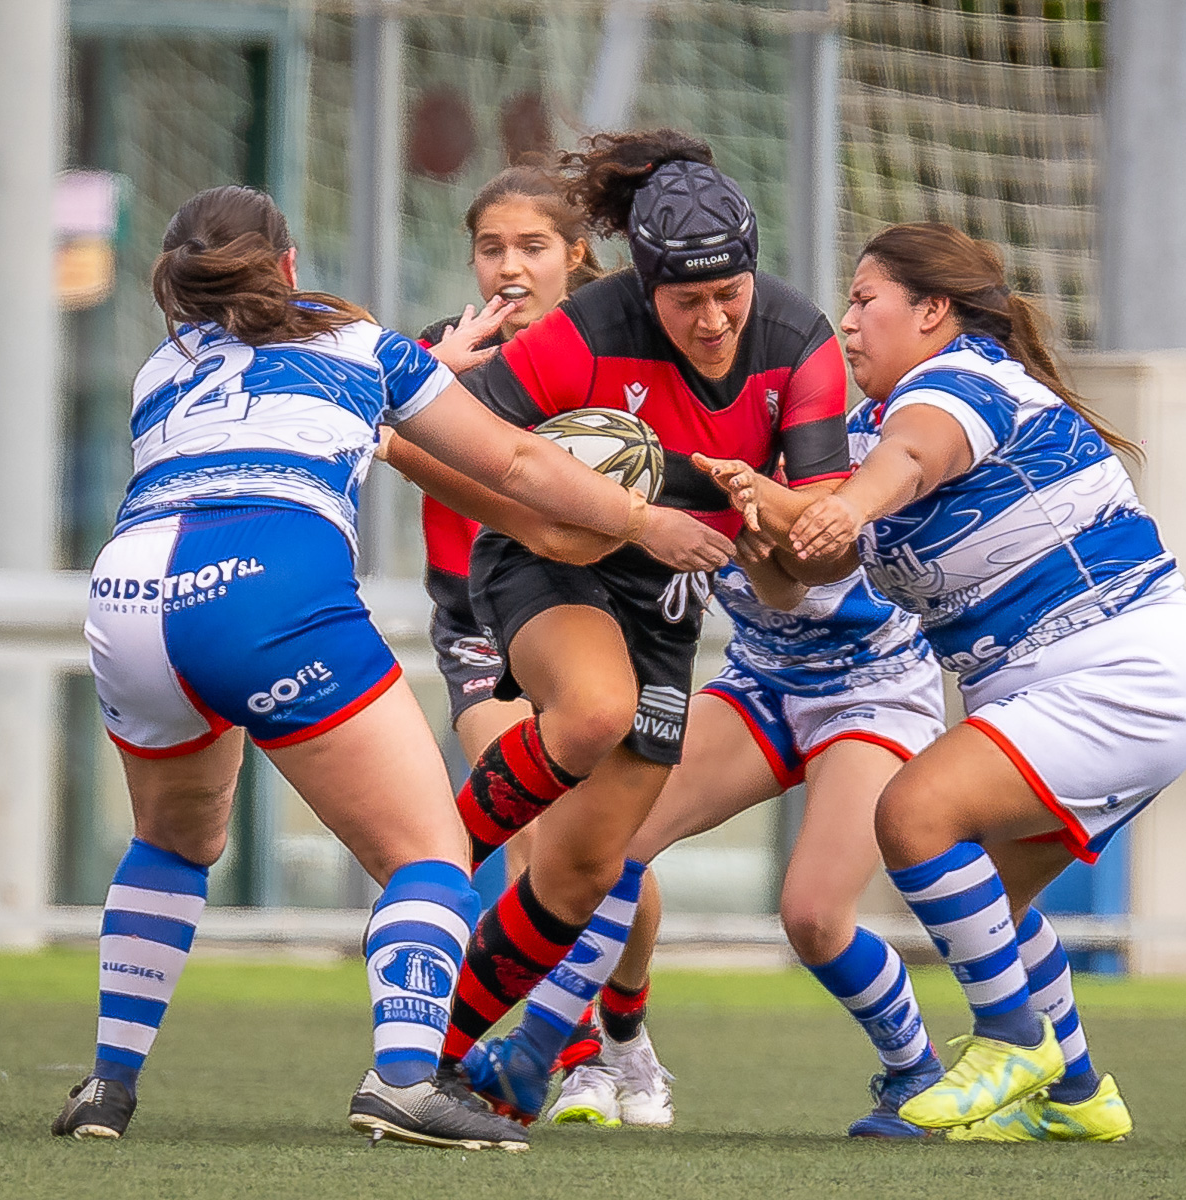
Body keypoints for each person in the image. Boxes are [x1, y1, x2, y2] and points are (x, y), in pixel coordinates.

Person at [57, 184, 728, 1150]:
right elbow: (517, 463)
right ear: (288, 266)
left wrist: (436, 366)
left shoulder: (162, 367)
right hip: (266, 586)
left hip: (128, 593)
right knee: (429, 854)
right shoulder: (361, 344)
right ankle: (408, 1079)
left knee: (172, 842)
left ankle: (107, 1090)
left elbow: (320, 414)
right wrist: (638, 518)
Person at [700, 222, 1186, 1143]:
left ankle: (1014, 1042)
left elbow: (907, 466)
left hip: (1120, 672)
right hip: (1073, 687)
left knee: (912, 815)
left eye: (867, 301)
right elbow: (812, 571)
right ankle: (1077, 1094)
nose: (847, 322)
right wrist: (751, 510)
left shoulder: (962, 380)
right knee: (995, 901)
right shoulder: (867, 426)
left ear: (933, 312)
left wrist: (840, 505)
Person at [418, 129, 853, 1127]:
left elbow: (808, 570)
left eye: (729, 295)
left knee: (582, 871)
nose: (712, 322)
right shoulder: (583, 330)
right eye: (686, 302)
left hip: (666, 602)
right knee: (591, 711)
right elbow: (423, 440)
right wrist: (564, 520)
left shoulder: (802, 344)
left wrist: (776, 525)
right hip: (546, 563)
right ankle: (427, 871)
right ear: (643, 287)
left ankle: (431, 1059)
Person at [495, 523, 951, 1136]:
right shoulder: (678, 451)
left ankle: (914, 1070)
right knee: (604, 842)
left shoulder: (811, 441)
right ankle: (563, 1049)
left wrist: (745, 501)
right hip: (762, 680)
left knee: (813, 919)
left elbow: (798, 567)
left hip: (876, 687)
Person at [384, 166, 671, 1097]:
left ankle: (626, 1027)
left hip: (596, 616)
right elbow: (378, 428)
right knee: (527, 833)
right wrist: (436, 387)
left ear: (576, 253)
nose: (510, 265)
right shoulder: (437, 354)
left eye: (533, 246)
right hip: (477, 621)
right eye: (492, 247)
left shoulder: (615, 352)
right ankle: (573, 1051)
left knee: (604, 847)